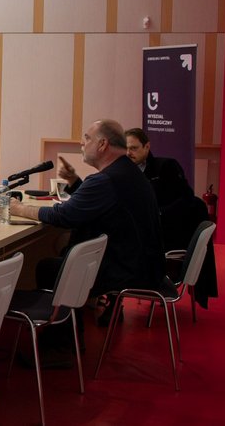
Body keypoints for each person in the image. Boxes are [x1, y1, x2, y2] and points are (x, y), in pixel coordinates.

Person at [9, 119, 165, 330]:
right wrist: (74, 181)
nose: (82, 144)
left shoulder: (105, 180)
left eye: (87, 139)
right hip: (143, 263)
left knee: (51, 268)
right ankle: (70, 335)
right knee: (63, 252)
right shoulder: (127, 172)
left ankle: (59, 346)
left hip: (127, 270)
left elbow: (64, 216)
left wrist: (19, 209)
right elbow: (97, 203)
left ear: (102, 144)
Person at [126, 127, 216, 306]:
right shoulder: (126, 172)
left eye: (134, 148)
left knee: (113, 247)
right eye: (126, 148)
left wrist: (158, 214)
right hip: (143, 231)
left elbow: (186, 200)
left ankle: (110, 301)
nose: (128, 153)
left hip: (166, 235)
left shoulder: (166, 166)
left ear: (147, 147)